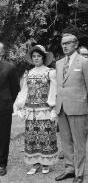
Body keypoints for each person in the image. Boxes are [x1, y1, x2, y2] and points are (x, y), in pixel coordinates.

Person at [55, 32, 88, 183]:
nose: (64, 46)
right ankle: (69, 169)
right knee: (65, 140)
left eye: (68, 43)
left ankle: (79, 173)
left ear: (76, 44)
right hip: (61, 108)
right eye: (63, 43)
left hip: (79, 108)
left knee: (79, 142)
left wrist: (87, 107)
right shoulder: (59, 63)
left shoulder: (84, 62)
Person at [14, 45, 58, 175]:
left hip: (45, 110)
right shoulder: (29, 73)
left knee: (46, 137)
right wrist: (19, 106)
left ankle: (46, 163)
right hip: (31, 111)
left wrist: (53, 108)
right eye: (34, 56)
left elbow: (54, 91)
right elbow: (24, 91)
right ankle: (35, 163)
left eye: (39, 56)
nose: (36, 58)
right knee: (32, 137)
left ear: (43, 58)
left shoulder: (50, 72)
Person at [0, 42, 19, 176]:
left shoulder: (10, 67)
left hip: (4, 107)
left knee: (3, 136)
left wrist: (8, 101)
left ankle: (2, 164)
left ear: (2, 53)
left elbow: (15, 88)